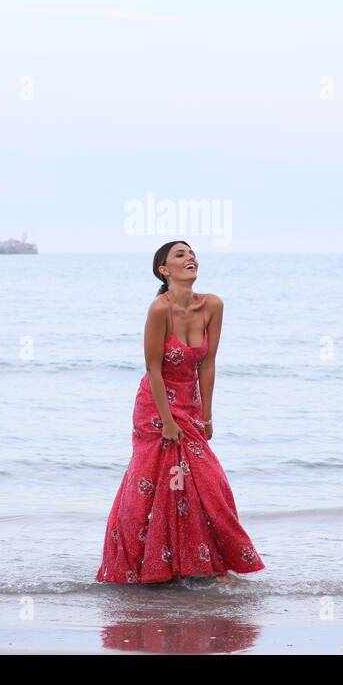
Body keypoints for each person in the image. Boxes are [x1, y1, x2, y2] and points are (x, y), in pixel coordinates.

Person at [96, 240, 266, 584]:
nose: (190, 257)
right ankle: (149, 568)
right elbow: (152, 369)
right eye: (180, 254)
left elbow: (208, 363)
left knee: (208, 482)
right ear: (164, 269)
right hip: (155, 407)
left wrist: (207, 415)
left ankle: (207, 564)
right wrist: (168, 421)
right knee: (153, 482)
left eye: (191, 253)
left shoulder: (213, 306)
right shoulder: (159, 310)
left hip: (190, 405)